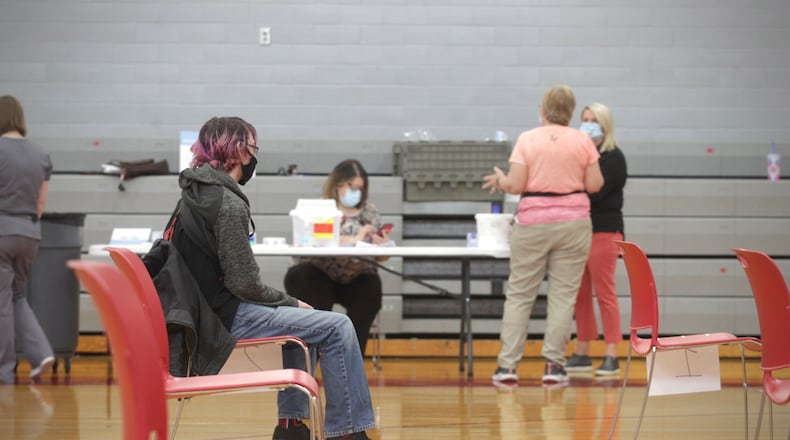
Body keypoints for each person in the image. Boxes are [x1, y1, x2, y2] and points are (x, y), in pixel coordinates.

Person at [159, 116, 374, 440]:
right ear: (240, 151)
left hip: (200, 311)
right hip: (221, 317)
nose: (255, 157)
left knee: (301, 324)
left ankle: (290, 427)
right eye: (254, 148)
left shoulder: (193, 193)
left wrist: (288, 307)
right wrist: (290, 302)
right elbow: (245, 283)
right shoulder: (226, 202)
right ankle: (347, 432)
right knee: (336, 326)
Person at [482, 85, 604, 385]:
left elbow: (517, 184)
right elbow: (595, 184)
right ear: (571, 112)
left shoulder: (527, 140)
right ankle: (553, 366)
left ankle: (507, 367)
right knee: (563, 297)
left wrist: (501, 180)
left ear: (542, 109)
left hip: (532, 222)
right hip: (574, 222)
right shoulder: (583, 140)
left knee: (520, 295)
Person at [284, 159, 388, 356]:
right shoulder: (321, 210)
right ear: (339, 184)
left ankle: (350, 358)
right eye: (351, 187)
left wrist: (382, 246)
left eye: (360, 188)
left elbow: (381, 258)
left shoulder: (370, 211)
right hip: (320, 272)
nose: (355, 192)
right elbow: (312, 240)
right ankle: (307, 359)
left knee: (371, 289)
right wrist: (354, 239)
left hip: (356, 275)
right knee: (306, 281)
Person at [565, 103, 627, 376]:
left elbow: (597, 194)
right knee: (579, 294)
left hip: (604, 230)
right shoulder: (579, 154)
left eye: (594, 120)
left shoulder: (613, 157)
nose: (588, 124)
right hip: (580, 230)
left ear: (604, 125)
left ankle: (612, 353)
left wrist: (573, 191)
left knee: (605, 293)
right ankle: (582, 351)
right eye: (585, 119)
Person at [0, 95, 56, 384]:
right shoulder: (40, 153)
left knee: (2, 302)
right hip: (30, 233)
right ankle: (41, 352)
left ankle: (4, 372)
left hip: (2, 231)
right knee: (16, 296)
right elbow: (40, 204)